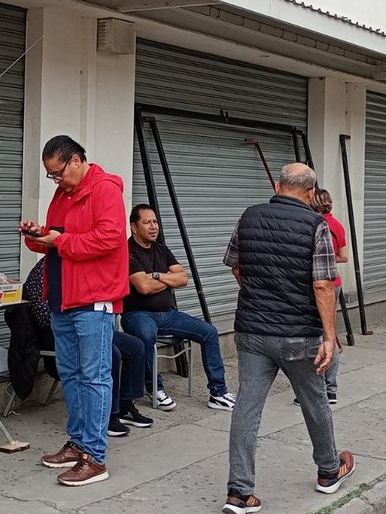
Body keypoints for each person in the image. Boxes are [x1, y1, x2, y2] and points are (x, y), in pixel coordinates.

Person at [221, 163, 355, 514]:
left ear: (279, 187)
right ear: (310, 194)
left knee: (247, 407)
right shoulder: (316, 225)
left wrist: (258, 296)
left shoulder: (249, 216)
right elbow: (323, 283)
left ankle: (239, 492)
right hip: (298, 334)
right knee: (314, 401)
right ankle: (329, 471)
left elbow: (235, 264)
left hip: (252, 331)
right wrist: (329, 336)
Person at [22, 135, 128, 487]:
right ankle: (79, 442)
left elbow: (109, 238)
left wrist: (59, 240)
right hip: (62, 298)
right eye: (51, 175)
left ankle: (95, 457)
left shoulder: (105, 189)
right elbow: (57, 241)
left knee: (94, 377)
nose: (56, 180)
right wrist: (37, 236)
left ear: (77, 161)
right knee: (70, 374)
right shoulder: (63, 194)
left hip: (93, 300)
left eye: (58, 173)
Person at [16, 258, 153, 438]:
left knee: (135, 346)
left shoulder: (83, 264)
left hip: (91, 323)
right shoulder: (48, 268)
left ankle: (125, 406)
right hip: (55, 332)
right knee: (111, 353)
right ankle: (109, 416)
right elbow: (43, 315)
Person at [121, 204, 236, 412]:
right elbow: (143, 287)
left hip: (169, 315)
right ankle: (155, 389)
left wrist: (156, 276)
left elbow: (183, 278)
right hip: (138, 314)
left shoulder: (162, 249)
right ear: (134, 227)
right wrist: (168, 279)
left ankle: (218, 393)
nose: (153, 227)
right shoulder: (127, 252)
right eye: (147, 222)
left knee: (209, 332)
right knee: (146, 335)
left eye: (155, 222)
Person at [306, 188, 347, 405]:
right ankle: (331, 389)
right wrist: (329, 259)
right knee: (330, 334)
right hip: (335, 283)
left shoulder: (312, 225)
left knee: (316, 336)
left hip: (316, 285)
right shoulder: (337, 225)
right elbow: (344, 257)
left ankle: (319, 388)